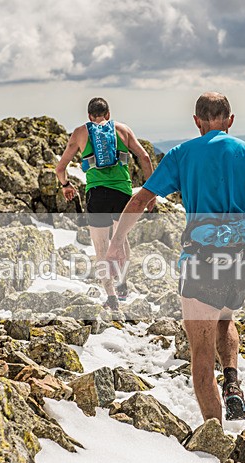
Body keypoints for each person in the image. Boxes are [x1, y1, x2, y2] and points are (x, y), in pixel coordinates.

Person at [107, 92, 245, 422]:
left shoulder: (182, 154)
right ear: (231, 120)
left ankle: (215, 436)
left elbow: (140, 200)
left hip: (202, 264)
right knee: (225, 317)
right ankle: (233, 382)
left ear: (197, 121)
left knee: (200, 355)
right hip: (242, 264)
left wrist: (117, 241)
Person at [56, 97, 154, 310]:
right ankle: (122, 285)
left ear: (90, 117)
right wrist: (151, 193)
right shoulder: (123, 130)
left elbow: (60, 168)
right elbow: (145, 158)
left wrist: (66, 185)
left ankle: (111, 297)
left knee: (101, 246)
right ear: (108, 115)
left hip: (97, 194)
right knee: (121, 238)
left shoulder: (81, 133)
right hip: (122, 193)